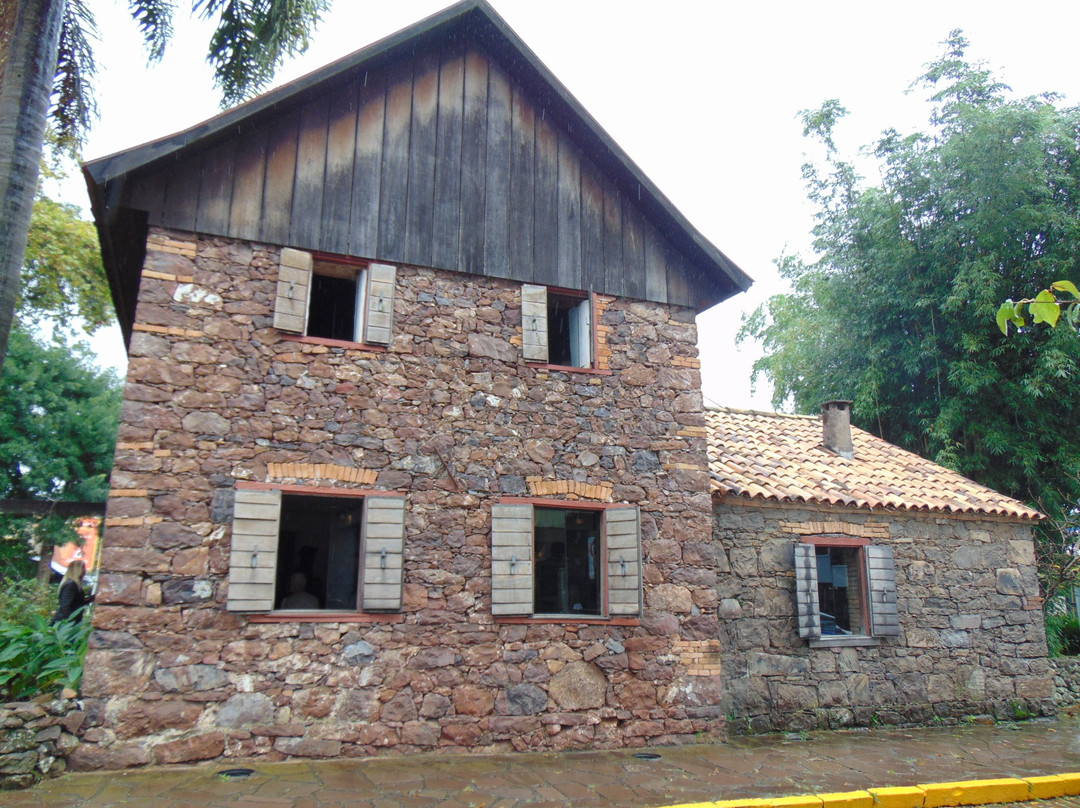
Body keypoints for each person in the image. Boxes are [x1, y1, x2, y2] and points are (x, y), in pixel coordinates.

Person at [52, 559, 94, 624]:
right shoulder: (71, 585)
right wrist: (69, 621)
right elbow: (65, 606)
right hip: (65, 623)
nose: (85, 571)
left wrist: (93, 597)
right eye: (83, 568)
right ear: (78, 570)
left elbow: (78, 602)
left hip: (69, 621)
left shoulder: (73, 584)